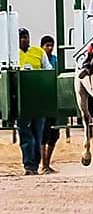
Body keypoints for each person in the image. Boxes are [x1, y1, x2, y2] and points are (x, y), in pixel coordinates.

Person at [17, 28, 52, 175]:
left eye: (25, 37)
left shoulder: (39, 53)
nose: (24, 40)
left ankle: (35, 164)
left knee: (37, 135)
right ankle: (28, 165)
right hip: (21, 101)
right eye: (21, 38)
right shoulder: (12, 54)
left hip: (38, 99)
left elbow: (48, 71)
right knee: (25, 134)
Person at [39, 35, 59, 174]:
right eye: (47, 45)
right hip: (43, 99)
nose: (49, 48)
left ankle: (47, 163)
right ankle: (43, 164)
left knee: (54, 134)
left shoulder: (56, 60)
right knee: (43, 134)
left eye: (51, 45)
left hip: (54, 99)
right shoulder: (40, 59)